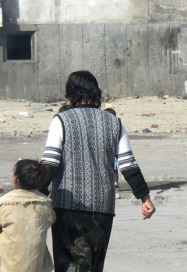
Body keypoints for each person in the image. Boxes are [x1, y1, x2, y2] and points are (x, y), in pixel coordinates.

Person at [40, 70, 155, 271]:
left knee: (69, 264)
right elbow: (128, 165)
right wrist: (145, 199)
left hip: (68, 206)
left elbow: (49, 164)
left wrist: (35, 193)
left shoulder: (61, 121)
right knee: (94, 265)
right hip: (103, 207)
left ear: (70, 93)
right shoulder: (114, 123)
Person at [0, 160, 56, 272]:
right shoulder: (46, 203)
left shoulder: (5, 203)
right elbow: (52, 220)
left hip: (9, 266)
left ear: (15, 179)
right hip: (37, 266)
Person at [103, 104, 120, 189]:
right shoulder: (116, 126)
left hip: (112, 152)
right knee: (113, 169)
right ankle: (114, 183)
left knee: (113, 169)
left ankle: (115, 183)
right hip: (110, 152)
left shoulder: (116, 126)